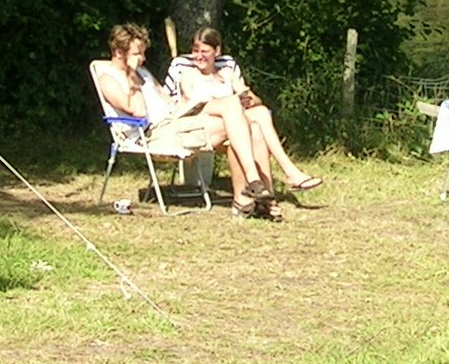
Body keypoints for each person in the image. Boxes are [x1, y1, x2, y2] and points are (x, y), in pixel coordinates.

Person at [99, 23, 276, 219]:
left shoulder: (144, 73)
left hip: (176, 122)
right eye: (137, 54)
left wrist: (185, 103)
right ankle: (251, 191)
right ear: (118, 52)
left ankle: (254, 197)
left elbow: (165, 99)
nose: (143, 58)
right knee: (238, 120)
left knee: (246, 120)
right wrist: (131, 76)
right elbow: (139, 111)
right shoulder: (109, 79)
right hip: (154, 135)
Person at [169, 26, 324, 199]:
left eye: (204, 51)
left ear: (217, 51)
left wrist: (246, 100)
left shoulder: (227, 73)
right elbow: (194, 103)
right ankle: (274, 176)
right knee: (232, 106)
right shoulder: (188, 74)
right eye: (195, 51)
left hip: (232, 129)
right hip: (202, 128)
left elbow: (254, 99)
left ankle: (272, 190)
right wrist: (232, 102)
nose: (198, 56)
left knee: (261, 115)